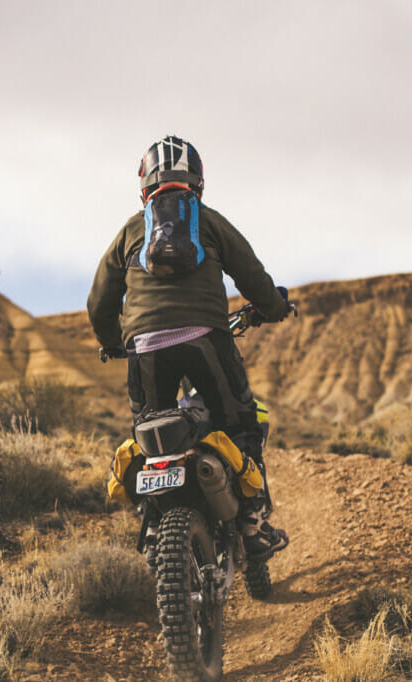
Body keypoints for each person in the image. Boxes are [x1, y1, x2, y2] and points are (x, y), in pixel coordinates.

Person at [87, 134, 289, 559]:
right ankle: (252, 528)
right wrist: (273, 307)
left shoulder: (131, 230)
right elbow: (250, 273)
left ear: (144, 185)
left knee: (150, 437)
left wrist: (114, 342)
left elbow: (100, 301)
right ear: (196, 180)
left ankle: (157, 528)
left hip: (145, 349)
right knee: (242, 425)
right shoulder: (209, 221)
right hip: (205, 340)